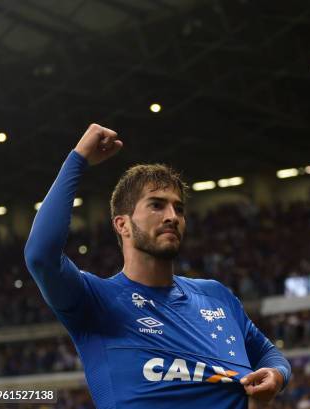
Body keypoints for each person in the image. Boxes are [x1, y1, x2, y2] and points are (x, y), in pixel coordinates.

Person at [24, 124, 291, 409]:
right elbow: (41, 256)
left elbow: (268, 353)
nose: (172, 216)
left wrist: (277, 375)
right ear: (122, 224)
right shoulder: (95, 301)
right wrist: (77, 159)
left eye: (179, 208)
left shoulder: (217, 295)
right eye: (156, 205)